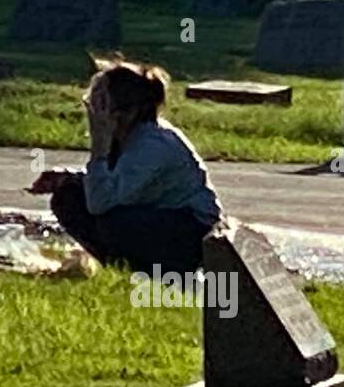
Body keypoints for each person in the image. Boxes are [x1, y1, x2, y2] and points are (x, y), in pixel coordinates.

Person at [30, 58, 222, 273]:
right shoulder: (126, 138)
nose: (91, 114)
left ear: (126, 112)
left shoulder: (152, 146)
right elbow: (113, 184)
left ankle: (148, 272)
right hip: (155, 213)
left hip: (192, 228)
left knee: (112, 222)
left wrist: (99, 147)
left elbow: (101, 202)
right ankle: (118, 267)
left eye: (99, 106)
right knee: (68, 197)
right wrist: (70, 178)